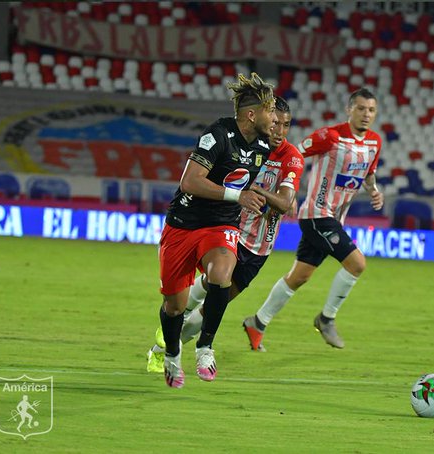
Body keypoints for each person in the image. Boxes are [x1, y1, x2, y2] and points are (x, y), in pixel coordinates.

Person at [146, 97, 304, 372]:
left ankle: (165, 347)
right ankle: (174, 339)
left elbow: (287, 204)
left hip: (256, 247)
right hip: (224, 228)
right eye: (275, 122)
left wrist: (259, 193)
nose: (279, 131)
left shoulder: (290, 157)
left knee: (210, 307)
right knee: (196, 292)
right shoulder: (246, 143)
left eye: (286, 125)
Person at [242, 87, 384, 350]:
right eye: (361, 108)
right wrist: (287, 189)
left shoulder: (375, 141)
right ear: (349, 110)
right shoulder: (329, 136)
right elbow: (293, 154)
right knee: (357, 264)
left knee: (299, 276)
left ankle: (257, 323)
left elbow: (369, 173)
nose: (366, 114)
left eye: (371, 110)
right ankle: (326, 318)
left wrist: (374, 191)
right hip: (317, 214)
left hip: (335, 219)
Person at [157, 73, 276, 387]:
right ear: (252, 114)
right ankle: (171, 353)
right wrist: (240, 196)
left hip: (221, 224)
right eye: (271, 111)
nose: (275, 118)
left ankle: (205, 346)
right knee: (174, 306)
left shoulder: (264, 144)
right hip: (183, 224)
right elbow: (190, 182)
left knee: (222, 275)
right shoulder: (218, 134)